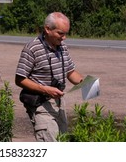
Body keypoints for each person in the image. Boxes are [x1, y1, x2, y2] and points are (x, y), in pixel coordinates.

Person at [15, 12, 84, 141]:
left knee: (63, 140)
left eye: (66, 33)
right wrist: (46, 89)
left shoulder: (62, 47)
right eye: (60, 33)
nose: (64, 38)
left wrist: (84, 82)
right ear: (47, 29)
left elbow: (70, 72)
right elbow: (20, 79)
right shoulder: (32, 48)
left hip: (59, 103)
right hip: (40, 104)